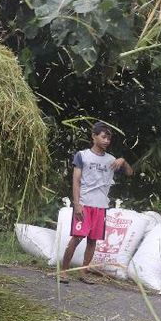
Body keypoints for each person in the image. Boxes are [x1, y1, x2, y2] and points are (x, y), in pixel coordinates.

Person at [58, 121, 133, 284]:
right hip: (84, 204)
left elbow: (129, 172)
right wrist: (76, 203)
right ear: (94, 136)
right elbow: (76, 181)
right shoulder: (82, 156)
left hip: (101, 207)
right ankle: (63, 271)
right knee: (76, 238)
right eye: (103, 137)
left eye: (109, 138)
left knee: (92, 241)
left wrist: (123, 161)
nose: (106, 141)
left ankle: (83, 273)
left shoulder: (112, 160)